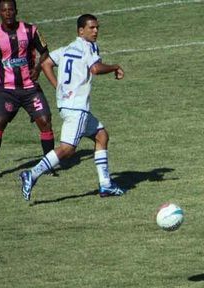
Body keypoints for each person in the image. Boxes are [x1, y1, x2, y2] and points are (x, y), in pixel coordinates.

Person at [19, 14, 125, 200]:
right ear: (80, 31)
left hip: (67, 105)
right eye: (91, 28)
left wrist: (58, 87)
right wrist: (115, 66)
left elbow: (46, 63)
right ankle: (32, 173)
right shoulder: (88, 46)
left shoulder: (68, 48)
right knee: (67, 149)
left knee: (101, 135)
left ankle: (106, 185)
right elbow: (95, 69)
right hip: (77, 108)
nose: (95, 31)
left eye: (97, 27)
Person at [0, 0, 55, 180]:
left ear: (16, 11)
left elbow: (45, 52)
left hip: (30, 88)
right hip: (6, 90)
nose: (8, 13)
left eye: (11, 10)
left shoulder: (30, 30)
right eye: (4, 10)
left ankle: (49, 163)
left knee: (45, 121)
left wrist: (37, 68)